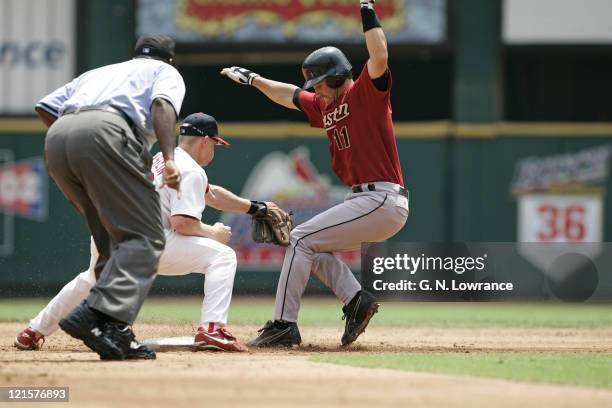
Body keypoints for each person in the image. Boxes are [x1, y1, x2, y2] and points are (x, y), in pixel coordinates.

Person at [15, 113, 290, 353]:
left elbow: (212, 194)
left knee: (91, 279)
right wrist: (213, 232)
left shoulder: (162, 158)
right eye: (215, 145)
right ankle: (212, 328)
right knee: (223, 257)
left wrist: (255, 208)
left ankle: (33, 331)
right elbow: (183, 223)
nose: (214, 151)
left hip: (109, 232)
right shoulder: (192, 171)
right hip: (147, 243)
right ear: (206, 141)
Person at [221, 0, 409, 347]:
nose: (316, 88)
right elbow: (289, 95)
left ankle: (283, 324)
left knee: (299, 238)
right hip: (366, 200)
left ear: (339, 75)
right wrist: (254, 79)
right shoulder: (326, 105)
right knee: (313, 247)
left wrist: (367, 10)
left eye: (321, 82)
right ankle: (357, 301)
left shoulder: (365, 93)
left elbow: (379, 56)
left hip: (381, 198)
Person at [34, 34, 185, 360]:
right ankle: (100, 317)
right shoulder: (165, 72)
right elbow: (162, 106)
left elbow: (45, 106)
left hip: (58, 137)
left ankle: (114, 333)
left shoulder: (99, 73)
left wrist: (74, 139)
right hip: (109, 132)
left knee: (113, 242)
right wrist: (169, 157)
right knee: (145, 236)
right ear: (168, 59)